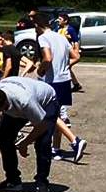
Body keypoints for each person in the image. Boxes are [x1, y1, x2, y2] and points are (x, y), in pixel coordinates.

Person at [0, 74, 69, 192]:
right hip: (20, 98)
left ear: (4, 105)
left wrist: (24, 144)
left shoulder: (25, 101)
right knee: (4, 136)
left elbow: (41, 126)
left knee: (43, 142)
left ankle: (42, 182)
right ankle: (13, 180)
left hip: (47, 101)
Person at [36, 13, 88, 163]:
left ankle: (74, 141)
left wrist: (41, 70)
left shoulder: (43, 38)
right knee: (57, 114)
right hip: (65, 80)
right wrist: (65, 66)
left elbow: (47, 58)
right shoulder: (61, 37)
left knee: (50, 115)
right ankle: (56, 149)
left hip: (52, 81)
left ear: (38, 26)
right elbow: (76, 56)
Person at [57, 11, 85, 94]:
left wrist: (76, 51)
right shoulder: (58, 29)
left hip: (69, 53)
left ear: (65, 21)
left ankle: (65, 86)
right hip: (61, 53)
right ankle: (76, 84)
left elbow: (76, 41)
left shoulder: (70, 29)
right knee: (66, 68)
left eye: (60, 19)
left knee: (64, 68)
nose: (58, 21)